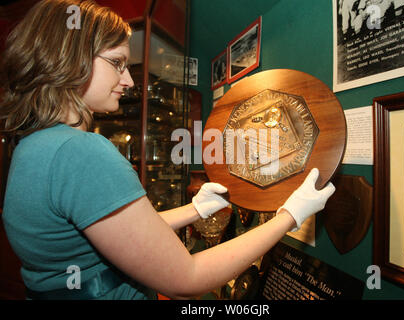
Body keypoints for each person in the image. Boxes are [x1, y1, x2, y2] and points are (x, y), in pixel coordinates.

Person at [0, 0, 335, 300]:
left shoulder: (34, 145)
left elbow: (125, 234)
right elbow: (185, 279)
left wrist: (196, 210)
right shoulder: (80, 151)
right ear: (69, 58)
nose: (129, 81)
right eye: (117, 63)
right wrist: (289, 217)